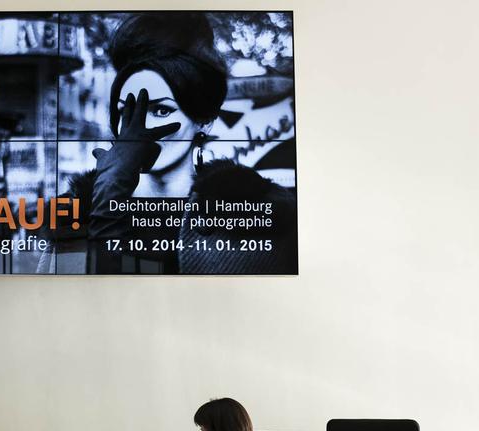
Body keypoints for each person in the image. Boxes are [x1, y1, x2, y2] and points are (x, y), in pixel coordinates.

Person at [54, 13, 297, 274]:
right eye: (128, 111)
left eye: (161, 111)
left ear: (204, 119)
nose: (140, 129)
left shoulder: (260, 214)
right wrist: (109, 196)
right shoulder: (72, 213)